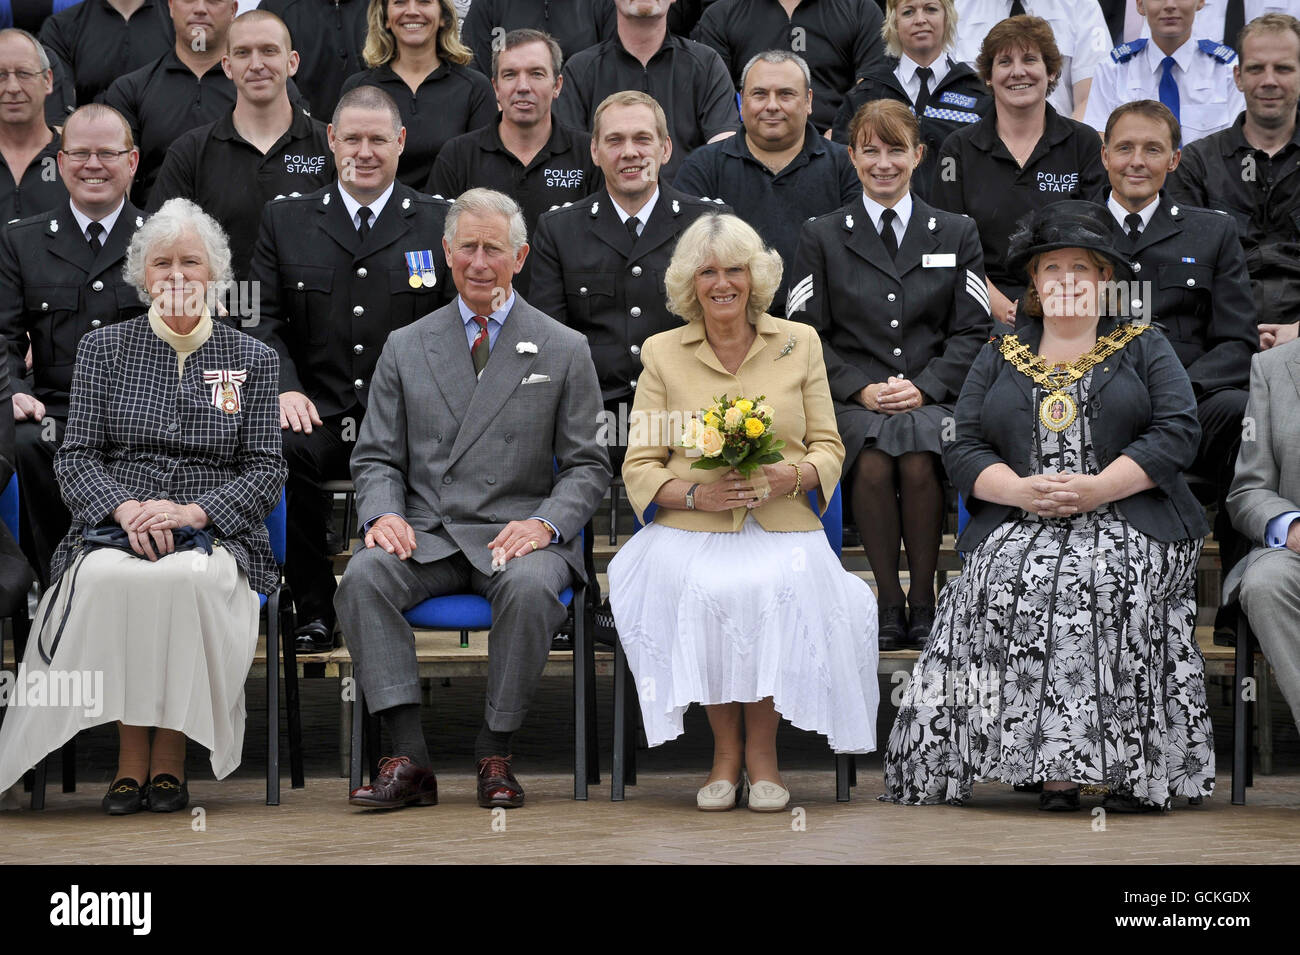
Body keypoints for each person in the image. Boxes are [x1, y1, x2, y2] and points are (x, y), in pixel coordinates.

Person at [882, 199, 1214, 811]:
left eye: (1080, 269)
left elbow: (1177, 431)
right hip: (1020, 516)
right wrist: (1018, 491)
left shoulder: (1144, 344)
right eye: (1052, 269)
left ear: (1104, 279)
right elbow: (963, 444)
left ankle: (1116, 771)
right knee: (1004, 575)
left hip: (1130, 514)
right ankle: (1049, 770)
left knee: (1104, 577)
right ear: (1034, 282)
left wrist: (1098, 488)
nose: (1065, 281)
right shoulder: (1000, 351)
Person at [0, 197, 287, 814]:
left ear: (215, 277)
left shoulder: (255, 361)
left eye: (191, 262)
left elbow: (267, 470)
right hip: (114, 531)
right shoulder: (103, 351)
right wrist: (126, 512)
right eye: (162, 263)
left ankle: (172, 759)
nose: (177, 276)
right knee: (109, 579)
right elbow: (75, 460)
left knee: (186, 580)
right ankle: (131, 759)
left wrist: (193, 515)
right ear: (141, 276)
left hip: (215, 533)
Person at [336, 188, 610, 811]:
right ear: (446, 253)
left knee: (535, 586)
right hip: (427, 533)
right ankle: (408, 757)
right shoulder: (407, 345)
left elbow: (589, 466)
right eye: (468, 248)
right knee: (362, 577)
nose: (480, 262)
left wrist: (545, 523)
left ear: (520, 256)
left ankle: (495, 750)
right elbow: (375, 456)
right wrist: (382, 515)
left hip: (517, 532)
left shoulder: (564, 347)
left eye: (494, 249)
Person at [610, 212, 879, 812]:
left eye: (735, 269)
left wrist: (793, 474)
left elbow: (830, 448)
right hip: (691, 525)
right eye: (708, 271)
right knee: (707, 589)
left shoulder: (797, 342)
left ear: (755, 277)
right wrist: (694, 494)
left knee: (770, 588)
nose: (722, 282)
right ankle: (724, 753)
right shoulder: (661, 353)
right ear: (690, 282)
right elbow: (641, 463)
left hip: (782, 523)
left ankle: (763, 755)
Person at [247, 84, 452, 654]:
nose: (365, 151)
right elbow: (260, 319)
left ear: (400, 142)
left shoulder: (439, 222)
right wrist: (284, 389)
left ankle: (402, 600)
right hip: (320, 408)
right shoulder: (287, 220)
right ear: (332, 141)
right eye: (353, 139)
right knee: (283, 450)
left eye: (378, 140)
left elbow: (458, 322)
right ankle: (313, 609)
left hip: (410, 416)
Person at [790, 99, 990, 649]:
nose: (884, 163)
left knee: (922, 462)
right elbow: (804, 335)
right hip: (855, 401)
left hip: (932, 398)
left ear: (918, 155)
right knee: (874, 465)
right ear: (851, 156)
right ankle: (887, 601)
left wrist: (924, 386)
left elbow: (973, 331)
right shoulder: (822, 234)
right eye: (870, 150)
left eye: (896, 150)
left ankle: (923, 600)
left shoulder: (955, 231)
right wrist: (861, 387)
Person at [1100, 98, 1255, 639]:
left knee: (1243, 413)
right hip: (1093, 401)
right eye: (1124, 147)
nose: (1136, 160)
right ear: (1104, 156)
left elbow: (1237, 341)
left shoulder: (1212, 232)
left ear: (1175, 160)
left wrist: (1177, 392)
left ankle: (1240, 600)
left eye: (1152, 149)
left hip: (1191, 403)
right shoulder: (1074, 228)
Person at [0, 104, 146, 586]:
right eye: (80, 153)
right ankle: (59, 584)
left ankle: (127, 584)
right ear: (60, 164)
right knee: (21, 439)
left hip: (144, 416)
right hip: (57, 415)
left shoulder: (164, 239)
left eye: (108, 152)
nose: (93, 165)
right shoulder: (22, 242)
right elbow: (3, 337)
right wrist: (14, 389)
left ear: (133, 162)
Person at [931, 15, 1109, 325]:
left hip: (1067, 303)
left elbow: (1092, 238)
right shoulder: (956, 149)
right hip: (979, 309)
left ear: (1051, 70)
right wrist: (999, 306)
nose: (1018, 72)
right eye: (1004, 62)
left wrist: (1046, 301)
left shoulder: (1083, 143)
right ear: (988, 76)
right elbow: (945, 245)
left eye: (1030, 59)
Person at [148, 11, 333, 285]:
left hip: (312, 317)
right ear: (227, 66)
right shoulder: (190, 152)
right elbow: (160, 246)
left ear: (292, 62)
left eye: (269, 51)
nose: (256, 64)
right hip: (221, 317)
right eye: (243, 53)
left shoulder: (332, 146)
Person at [674, 50, 860, 315]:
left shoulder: (846, 167)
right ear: (741, 102)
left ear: (808, 101)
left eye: (786, 94)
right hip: (728, 325)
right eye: (759, 94)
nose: (772, 105)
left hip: (826, 328)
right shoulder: (702, 167)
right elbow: (685, 258)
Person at [425, 28, 598, 295]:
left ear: (558, 85)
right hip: (478, 319)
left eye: (536, 74)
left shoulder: (590, 155)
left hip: (567, 319)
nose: (523, 86)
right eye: (510, 75)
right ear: (495, 87)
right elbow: (438, 251)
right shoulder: (458, 156)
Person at [1166, 13, 1300, 343]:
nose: (1269, 80)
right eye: (1256, 68)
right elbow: (1185, 272)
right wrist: (1239, 334)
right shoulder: (1197, 164)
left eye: (1283, 68)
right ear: (1238, 77)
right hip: (1220, 344)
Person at [553, 0, 739, 183]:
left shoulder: (706, 65)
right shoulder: (580, 70)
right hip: (602, 206)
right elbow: (570, 159)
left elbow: (723, 151)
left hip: (689, 205)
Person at [831, 0, 993, 201]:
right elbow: (843, 170)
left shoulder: (979, 94)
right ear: (894, 22)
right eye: (908, 12)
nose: (920, 20)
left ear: (947, 17)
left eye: (931, 9)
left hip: (958, 224)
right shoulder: (865, 94)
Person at [101, 0, 254, 207]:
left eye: (213, 0)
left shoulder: (262, 88)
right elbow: (118, 181)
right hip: (155, 230)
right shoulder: (130, 89)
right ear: (171, 6)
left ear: (233, 9)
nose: (200, 9)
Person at [1224, 337, 1300, 735]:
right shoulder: (1272, 367)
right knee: (1266, 584)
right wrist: (1291, 528)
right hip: (1296, 550)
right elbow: (1248, 491)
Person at [338, 0, 495, 189]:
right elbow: (346, 170)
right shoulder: (358, 87)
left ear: (443, 17)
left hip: (451, 215)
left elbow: (484, 175)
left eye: (424, 2)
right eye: (400, 2)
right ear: (386, 18)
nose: (412, 11)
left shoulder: (475, 88)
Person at [692, 0, 885, 135]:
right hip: (750, 145)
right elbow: (717, 99)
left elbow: (872, 88)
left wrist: (842, 133)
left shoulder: (861, 9)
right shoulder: (722, 14)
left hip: (837, 146)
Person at [1084, 0, 1244, 145]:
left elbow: (1236, 146)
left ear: (1201, 2)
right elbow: (1100, 143)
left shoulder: (1228, 71)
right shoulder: (1113, 70)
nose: (1170, 5)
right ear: (1140, 5)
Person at [950, 0, 1112, 119]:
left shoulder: (1081, 5)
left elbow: (1092, 101)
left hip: (1062, 147)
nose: (1018, 71)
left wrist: (1067, 149)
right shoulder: (957, 8)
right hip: (976, 145)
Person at [39, 0, 172, 108]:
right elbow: (58, 110)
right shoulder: (60, 28)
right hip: (91, 135)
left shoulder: (180, 23)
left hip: (164, 133)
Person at [260, 0, 367, 120]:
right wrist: (300, 112)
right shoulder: (276, 6)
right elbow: (261, 66)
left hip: (376, 126)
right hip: (299, 127)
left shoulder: (384, 6)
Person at [0, 28, 65, 223]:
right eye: (0, 75)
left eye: (24, 73)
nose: (12, 88)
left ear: (48, 80)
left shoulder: (77, 159)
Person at [460, 0, 614, 77]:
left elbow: (614, 70)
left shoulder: (603, 4)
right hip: (509, 121)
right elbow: (474, 71)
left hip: (584, 122)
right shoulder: (489, 3)